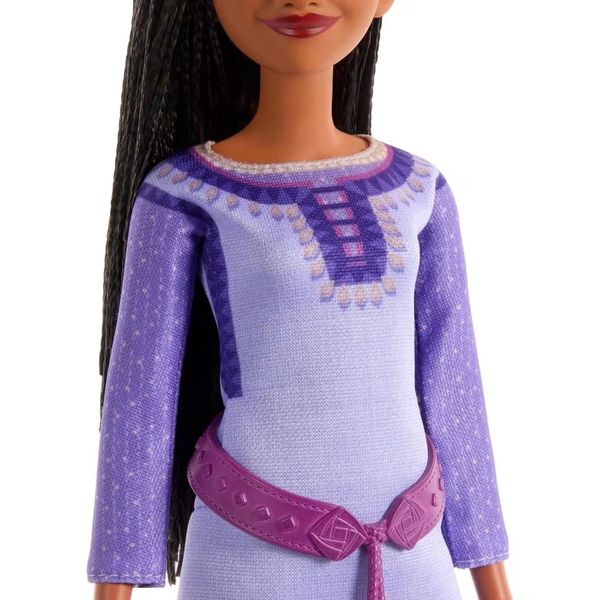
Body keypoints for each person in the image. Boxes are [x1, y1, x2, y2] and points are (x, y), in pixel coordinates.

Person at [87, 1, 512, 598]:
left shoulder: (420, 190)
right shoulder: (185, 194)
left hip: (414, 559)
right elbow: (141, 404)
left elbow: (454, 389)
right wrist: (116, 581)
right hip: (248, 562)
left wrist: (492, 577)